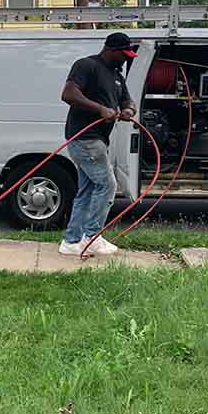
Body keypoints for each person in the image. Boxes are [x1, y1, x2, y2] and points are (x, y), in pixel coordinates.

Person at [59, 32, 138, 256]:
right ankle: (92, 238)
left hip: (98, 140)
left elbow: (128, 101)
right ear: (111, 50)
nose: (126, 59)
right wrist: (100, 109)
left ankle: (71, 242)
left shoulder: (116, 75)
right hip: (85, 138)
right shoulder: (87, 65)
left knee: (88, 189)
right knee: (107, 185)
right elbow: (68, 94)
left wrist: (128, 110)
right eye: (123, 55)